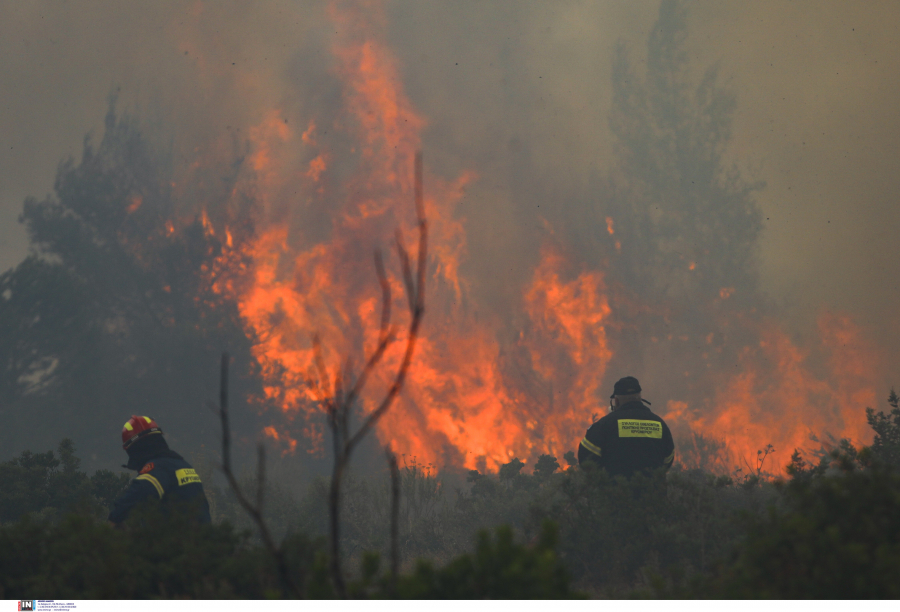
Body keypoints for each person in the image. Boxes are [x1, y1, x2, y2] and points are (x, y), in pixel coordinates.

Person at [108, 415, 211, 525]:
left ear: (135, 448)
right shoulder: (183, 465)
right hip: (202, 538)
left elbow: (139, 493)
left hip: (179, 539)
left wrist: (112, 521)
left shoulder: (158, 468)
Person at [577, 376, 675, 477]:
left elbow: (586, 459)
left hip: (617, 490)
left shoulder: (605, 425)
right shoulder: (659, 424)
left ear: (617, 401)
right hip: (653, 490)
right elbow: (668, 459)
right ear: (640, 398)